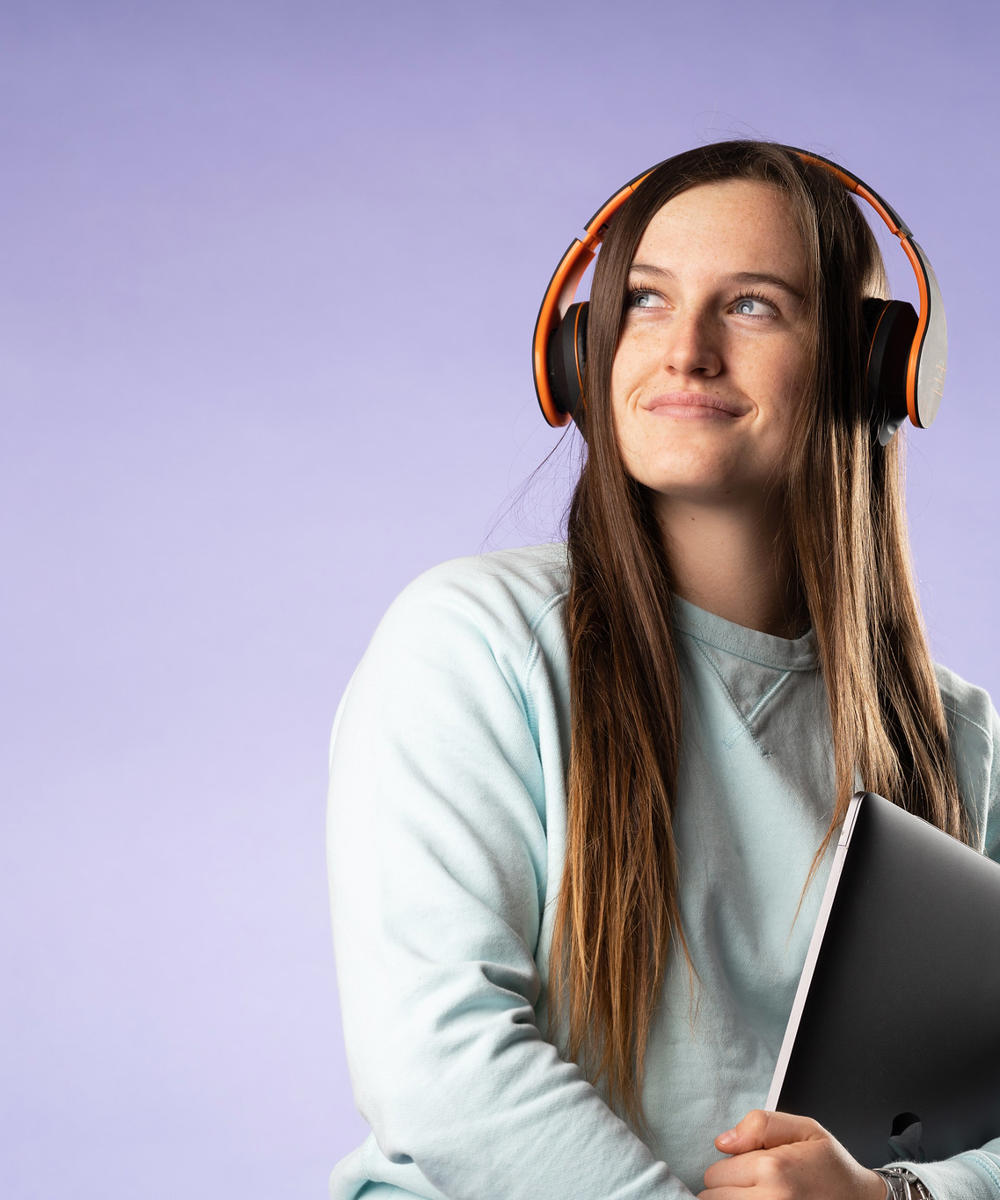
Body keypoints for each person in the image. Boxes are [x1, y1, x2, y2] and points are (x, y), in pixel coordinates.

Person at [327, 140, 1000, 1200]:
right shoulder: (476, 644)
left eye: (751, 307)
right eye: (642, 299)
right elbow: (442, 1061)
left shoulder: (962, 741)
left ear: (874, 365)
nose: (683, 350)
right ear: (579, 352)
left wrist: (895, 1199)